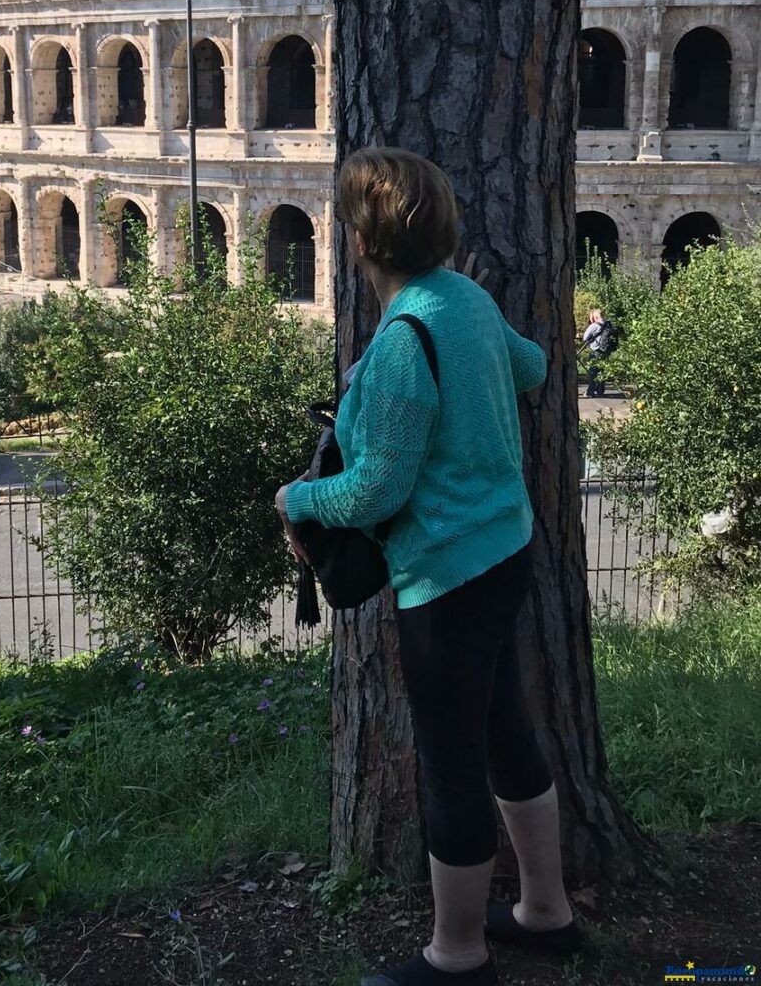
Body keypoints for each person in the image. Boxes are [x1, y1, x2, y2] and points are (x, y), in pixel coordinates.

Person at [275, 148, 582, 985]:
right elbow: (535, 367)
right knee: (507, 731)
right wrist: (469, 308)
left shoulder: (407, 337)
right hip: (505, 554)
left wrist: (296, 502)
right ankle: (546, 914)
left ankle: (458, 956)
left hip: (445, 582)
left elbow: (376, 490)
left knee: (451, 766)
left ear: (361, 245)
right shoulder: (465, 301)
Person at [581, 309, 614, 399]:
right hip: (605, 351)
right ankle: (600, 391)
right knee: (602, 371)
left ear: (595, 317)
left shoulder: (594, 326)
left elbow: (585, 338)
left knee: (592, 372)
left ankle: (590, 392)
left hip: (596, 351)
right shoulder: (609, 325)